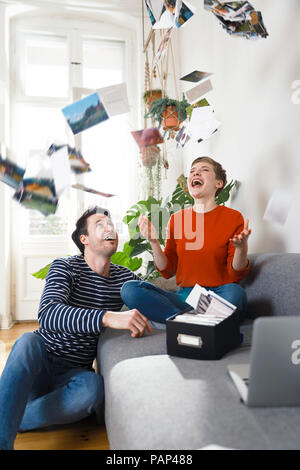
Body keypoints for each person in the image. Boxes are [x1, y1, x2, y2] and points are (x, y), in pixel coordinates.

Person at [0, 206, 152, 450]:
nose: (110, 228)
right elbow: (48, 313)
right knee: (27, 342)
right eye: (100, 224)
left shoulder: (124, 278)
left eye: (111, 224)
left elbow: (156, 299)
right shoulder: (65, 266)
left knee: (92, 390)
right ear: (84, 240)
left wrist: (154, 242)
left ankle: (12, 415)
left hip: (73, 373)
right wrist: (107, 317)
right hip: (40, 361)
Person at [121, 156, 251, 324]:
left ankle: (187, 321)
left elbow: (236, 274)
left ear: (219, 183)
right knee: (130, 290)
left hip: (220, 294)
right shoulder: (177, 219)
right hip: (186, 298)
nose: (195, 172)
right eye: (192, 171)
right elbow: (167, 271)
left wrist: (241, 249)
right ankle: (192, 321)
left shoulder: (233, 218)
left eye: (204, 169)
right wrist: (153, 241)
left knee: (236, 294)